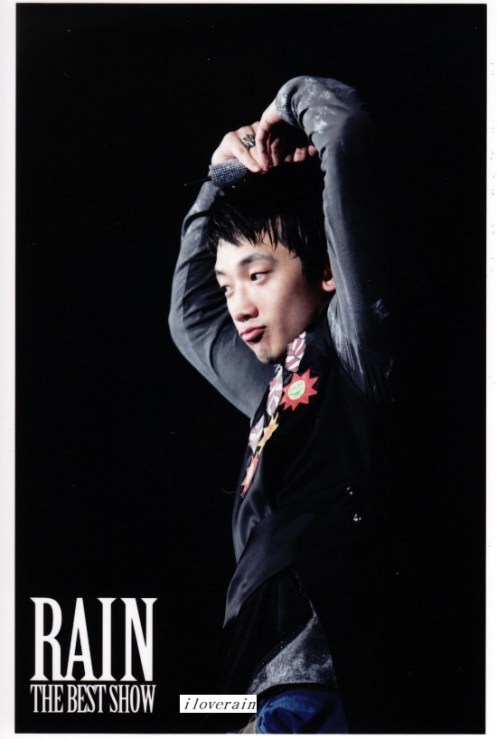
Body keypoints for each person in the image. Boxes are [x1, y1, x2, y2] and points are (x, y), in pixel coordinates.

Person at [169, 76, 398, 733]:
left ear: (326, 268)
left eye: (258, 275)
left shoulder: (354, 356)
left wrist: (282, 106)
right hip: (246, 681)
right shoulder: (268, 386)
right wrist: (221, 175)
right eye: (227, 284)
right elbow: (190, 316)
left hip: (310, 684)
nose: (237, 304)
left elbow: (345, 132)